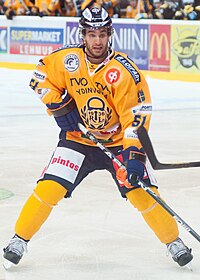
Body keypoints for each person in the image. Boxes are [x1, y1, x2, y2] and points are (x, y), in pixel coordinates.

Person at [3, 6, 193, 269]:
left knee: (142, 194)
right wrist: (59, 106)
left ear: (109, 35)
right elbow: (38, 78)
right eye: (92, 34)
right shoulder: (66, 59)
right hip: (78, 139)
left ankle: (174, 241)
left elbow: (136, 117)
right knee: (50, 187)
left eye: (102, 34)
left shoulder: (124, 71)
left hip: (117, 143)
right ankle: (19, 240)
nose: (97, 41)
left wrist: (135, 155)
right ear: (83, 35)